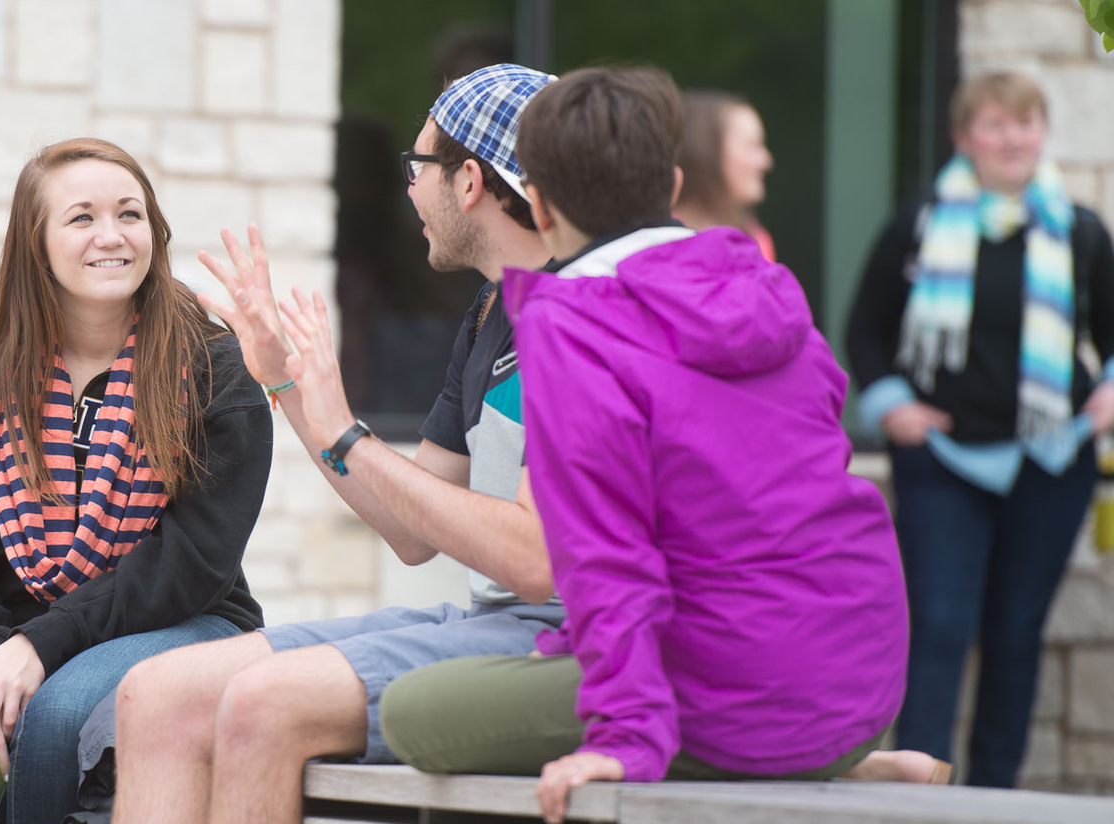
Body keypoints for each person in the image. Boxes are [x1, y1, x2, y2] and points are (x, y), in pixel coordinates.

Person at [374, 66, 945, 824]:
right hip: (863, 682)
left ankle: (765, 755)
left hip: (740, 693)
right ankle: (845, 764)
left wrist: (629, 736)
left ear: (538, 206)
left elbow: (609, 556)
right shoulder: (770, 292)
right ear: (671, 183)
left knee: (414, 712)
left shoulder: (574, 327)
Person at [111, 64, 561, 824]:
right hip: (490, 623)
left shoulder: (581, 318)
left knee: (259, 705)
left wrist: (344, 429)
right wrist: (288, 387)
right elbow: (414, 534)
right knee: (154, 695)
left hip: (560, 642)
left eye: (418, 167)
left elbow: (535, 561)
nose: (408, 190)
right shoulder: (490, 313)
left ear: (471, 181)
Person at [0, 137, 271, 824]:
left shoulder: (214, 373)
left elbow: (190, 565)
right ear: (34, 244)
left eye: (129, 215)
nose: (111, 236)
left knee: (59, 712)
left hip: (185, 619)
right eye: (81, 218)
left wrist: (41, 646)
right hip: (4, 635)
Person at [845, 70, 1114, 788]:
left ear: (1041, 135)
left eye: (1024, 124)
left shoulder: (1081, 233)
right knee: (938, 626)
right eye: (994, 125)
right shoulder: (920, 224)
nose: (1011, 139)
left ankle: (996, 794)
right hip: (944, 462)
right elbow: (866, 333)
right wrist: (894, 406)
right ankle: (921, 789)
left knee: (1016, 633)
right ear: (965, 137)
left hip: (1052, 462)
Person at [673, 90, 777, 261]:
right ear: (706, 152)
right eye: (751, 145)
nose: (766, 162)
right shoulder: (658, 241)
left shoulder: (756, 240)